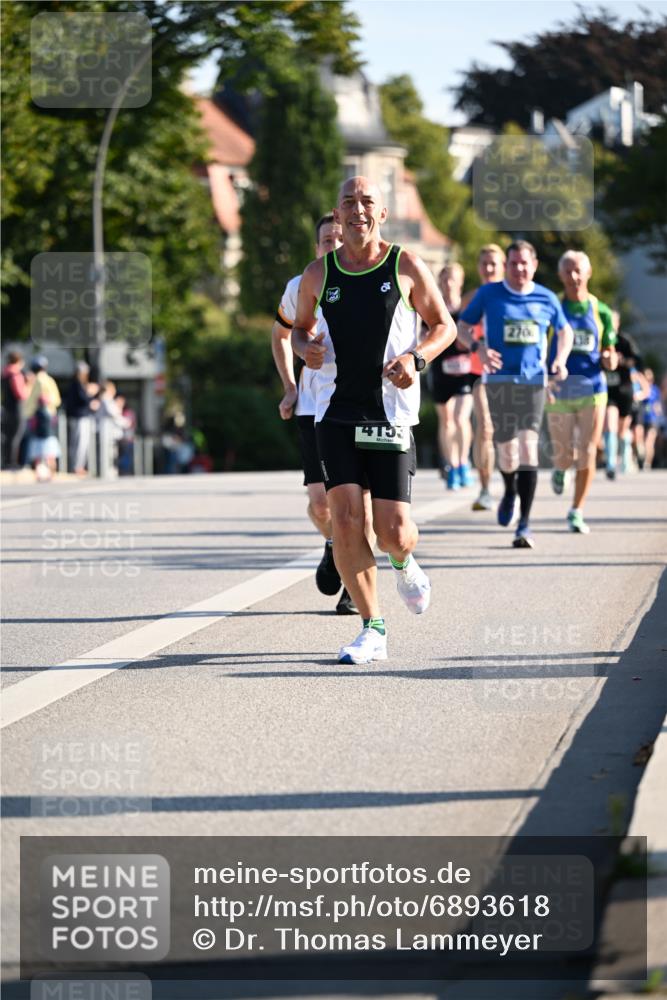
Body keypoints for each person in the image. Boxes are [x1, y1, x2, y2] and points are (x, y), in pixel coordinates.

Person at [291, 176, 456, 664]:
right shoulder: (317, 274)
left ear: (382, 214)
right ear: (337, 217)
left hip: (390, 411)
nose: (357, 209)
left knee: (393, 531)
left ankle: (404, 563)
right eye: (348, 202)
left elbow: (444, 325)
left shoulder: (404, 265)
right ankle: (373, 628)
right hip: (335, 412)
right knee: (344, 519)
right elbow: (297, 333)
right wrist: (308, 349)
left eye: (367, 202)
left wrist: (417, 359)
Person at [458, 241, 573, 549]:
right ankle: (509, 489)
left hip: (533, 383)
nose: (519, 269)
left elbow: (564, 331)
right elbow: (462, 326)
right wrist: (478, 348)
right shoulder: (489, 294)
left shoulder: (546, 297)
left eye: (524, 263)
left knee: (528, 449)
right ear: (506, 266)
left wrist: (559, 360)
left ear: (533, 264)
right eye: (513, 264)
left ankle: (524, 523)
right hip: (498, 382)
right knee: (507, 454)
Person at [272, 213, 360, 616]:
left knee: (359, 500)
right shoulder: (302, 284)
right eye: (327, 240)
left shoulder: (366, 280)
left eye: (340, 238)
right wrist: (290, 386)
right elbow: (282, 335)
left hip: (360, 403)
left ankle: (352, 579)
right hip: (313, 405)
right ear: (317, 247)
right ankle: (332, 542)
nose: (335, 245)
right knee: (322, 504)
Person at [545, 251, 618, 534]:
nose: (574, 277)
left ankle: (576, 510)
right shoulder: (554, 308)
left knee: (587, 451)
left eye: (578, 271)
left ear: (588, 273)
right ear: (561, 275)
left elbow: (608, 349)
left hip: (593, 389)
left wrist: (610, 358)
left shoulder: (601, 311)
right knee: (564, 453)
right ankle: (561, 469)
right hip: (560, 389)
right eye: (568, 271)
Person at [460, 244, 506, 511]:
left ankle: (513, 484)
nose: (489, 269)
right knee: (485, 428)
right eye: (484, 264)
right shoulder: (472, 298)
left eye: (494, 264)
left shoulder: (512, 297)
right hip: (480, 373)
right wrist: (471, 344)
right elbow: (457, 330)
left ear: (503, 267)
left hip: (511, 375)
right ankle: (486, 489)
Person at [428, 263, 476, 490]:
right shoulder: (434, 309)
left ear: (460, 282)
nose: (448, 284)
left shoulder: (468, 309)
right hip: (441, 372)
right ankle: (452, 465)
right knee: (446, 421)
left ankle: (463, 461)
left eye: (453, 279)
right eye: (444, 279)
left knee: (460, 418)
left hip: (465, 373)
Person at [603, 326, 644, 478]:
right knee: (609, 423)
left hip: (624, 391)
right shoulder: (600, 337)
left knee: (622, 430)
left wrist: (623, 361)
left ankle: (628, 456)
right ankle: (611, 464)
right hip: (608, 392)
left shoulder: (625, 340)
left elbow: (638, 361)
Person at [23, 355, 62, 480]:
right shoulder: (50, 380)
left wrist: (27, 413)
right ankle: (51, 472)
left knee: (38, 445)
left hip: (39, 417)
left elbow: (32, 401)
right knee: (50, 443)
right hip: (51, 416)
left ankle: (39, 474)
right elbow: (57, 400)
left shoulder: (37, 380)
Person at [63, 361, 99, 475]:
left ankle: (79, 466)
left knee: (82, 443)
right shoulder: (77, 384)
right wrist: (91, 395)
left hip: (82, 417)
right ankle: (77, 466)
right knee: (79, 443)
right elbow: (83, 399)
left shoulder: (80, 384)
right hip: (79, 417)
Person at [1, 350, 31, 469]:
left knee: (7, 437)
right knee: (16, 437)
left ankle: (5, 462)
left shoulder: (4, 374)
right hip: (16, 410)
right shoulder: (16, 375)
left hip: (6, 409)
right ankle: (12, 463)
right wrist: (28, 386)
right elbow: (21, 394)